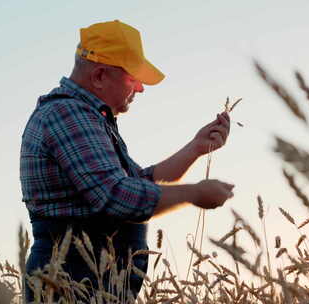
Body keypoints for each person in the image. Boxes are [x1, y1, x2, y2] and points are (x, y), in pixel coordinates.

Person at [20, 20, 234, 302]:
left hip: (88, 284)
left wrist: (195, 148)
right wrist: (194, 193)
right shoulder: (68, 116)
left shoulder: (88, 117)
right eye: (133, 77)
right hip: (70, 285)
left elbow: (138, 183)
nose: (141, 88)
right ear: (99, 76)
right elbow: (118, 196)